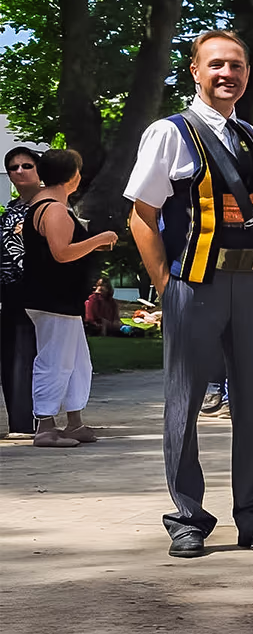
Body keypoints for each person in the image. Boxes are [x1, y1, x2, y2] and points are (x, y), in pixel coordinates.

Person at [126, 30, 253, 557]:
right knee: (185, 403)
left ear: (247, 74)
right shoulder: (169, 133)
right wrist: (165, 285)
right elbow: (142, 215)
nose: (228, 74)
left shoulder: (252, 137)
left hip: (252, 285)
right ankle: (187, 518)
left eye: (237, 65)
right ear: (194, 71)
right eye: (216, 64)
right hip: (195, 284)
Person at [19, 149, 115, 448]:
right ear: (72, 175)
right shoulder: (54, 209)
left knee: (77, 362)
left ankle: (74, 422)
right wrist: (100, 239)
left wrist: (89, 245)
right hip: (53, 299)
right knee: (55, 360)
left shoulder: (46, 205)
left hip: (61, 300)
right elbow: (61, 253)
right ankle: (45, 426)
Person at [3, 146, 42, 437]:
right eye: (13, 167)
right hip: (11, 293)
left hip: (42, 294)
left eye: (26, 165)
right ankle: (21, 423)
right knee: (15, 357)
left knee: (42, 357)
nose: (19, 171)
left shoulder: (49, 206)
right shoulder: (10, 210)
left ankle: (46, 419)